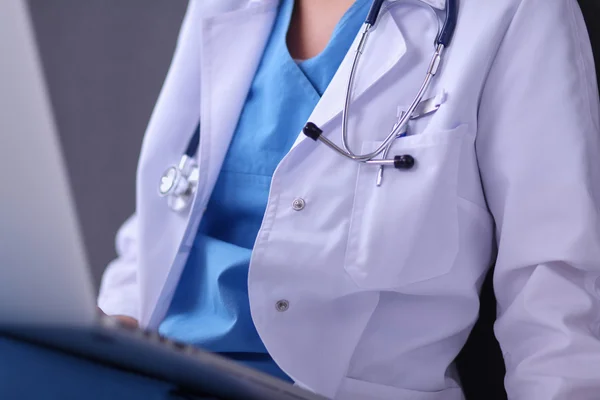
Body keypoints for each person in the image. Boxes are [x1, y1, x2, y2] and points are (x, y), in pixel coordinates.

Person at [98, 0, 600, 398]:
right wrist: (106, 328)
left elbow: (556, 288)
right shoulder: (225, 7)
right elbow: (165, 216)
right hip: (149, 371)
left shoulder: (515, 12)